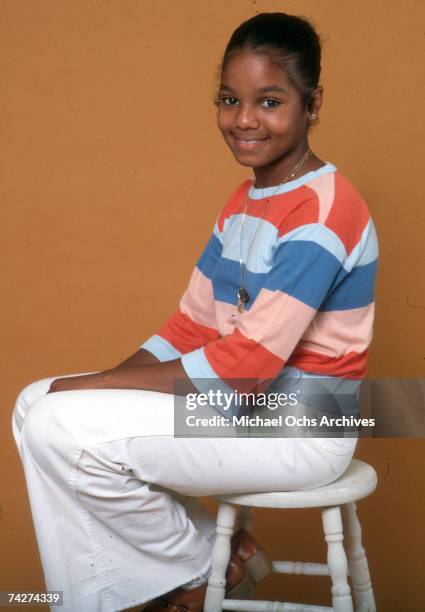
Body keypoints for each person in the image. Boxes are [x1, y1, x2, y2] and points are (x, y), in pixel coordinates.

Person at [11, 12, 378, 612]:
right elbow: (190, 326)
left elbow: (245, 369)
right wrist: (92, 387)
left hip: (301, 423)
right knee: (36, 403)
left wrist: (99, 387)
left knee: (58, 423)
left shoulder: (324, 211)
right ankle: (209, 557)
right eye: (230, 99)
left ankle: (178, 575)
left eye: (269, 101)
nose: (243, 120)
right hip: (245, 407)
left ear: (312, 105)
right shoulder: (245, 202)